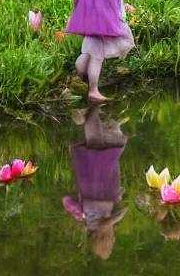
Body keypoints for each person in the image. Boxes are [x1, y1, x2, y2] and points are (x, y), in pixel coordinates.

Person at [63, 105, 129, 260]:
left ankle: (92, 108)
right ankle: (94, 112)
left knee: (96, 147)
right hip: (98, 185)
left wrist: (113, 219)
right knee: (97, 148)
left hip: (98, 186)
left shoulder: (96, 224)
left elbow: (117, 212)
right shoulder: (89, 223)